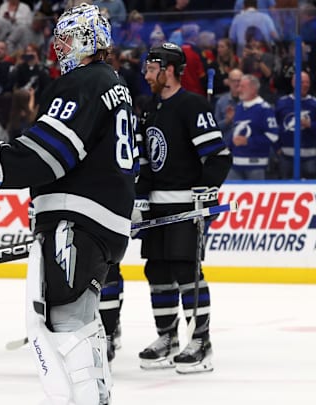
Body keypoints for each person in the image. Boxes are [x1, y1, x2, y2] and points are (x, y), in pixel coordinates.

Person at [0, 4, 135, 404]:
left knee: (65, 324)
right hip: (100, 221)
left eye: (65, 40)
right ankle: (96, 395)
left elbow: (47, 155)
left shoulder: (85, 82)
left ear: (86, 40)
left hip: (77, 219)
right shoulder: (114, 84)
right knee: (82, 319)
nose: (57, 49)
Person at [136, 42, 232, 374]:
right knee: (157, 272)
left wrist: (206, 189)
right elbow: (146, 161)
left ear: (169, 70)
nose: (146, 74)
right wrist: (139, 196)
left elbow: (218, 156)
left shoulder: (192, 106)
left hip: (185, 206)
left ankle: (201, 341)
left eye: (151, 68)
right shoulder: (147, 108)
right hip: (157, 209)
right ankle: (167, 337)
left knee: (184, 271)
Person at [275, 71, 316, 179]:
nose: (305, 85)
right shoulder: (282, 102)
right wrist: (277, 147)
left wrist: (310, 125)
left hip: (310, 157)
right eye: (302, 82)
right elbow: (275, 126)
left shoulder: (314, 103)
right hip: (286, 157)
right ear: (293, 83)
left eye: (307, 82)